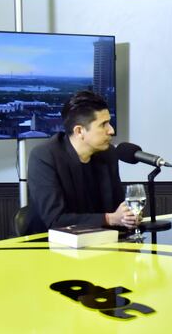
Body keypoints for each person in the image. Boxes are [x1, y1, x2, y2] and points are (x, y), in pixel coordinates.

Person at [26, 90, 138, 234]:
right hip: (48, 246)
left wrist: (128, 217)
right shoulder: (44, 156)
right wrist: (109, 219)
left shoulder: (108, 153)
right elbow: (55, 220)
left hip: (99, 241)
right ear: (79, 131)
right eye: (103, 124)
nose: (111, 130)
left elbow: (117, 207)